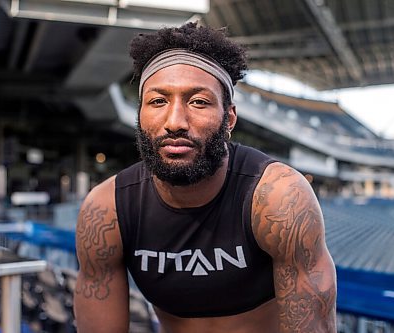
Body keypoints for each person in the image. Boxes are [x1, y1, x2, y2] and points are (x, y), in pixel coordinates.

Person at [73, 22, 336, 333]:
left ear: (229, 119)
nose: (175, 122)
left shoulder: (279, 200)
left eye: (198, 102)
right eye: (158, 101)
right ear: (139, 115)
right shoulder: (107, 211)